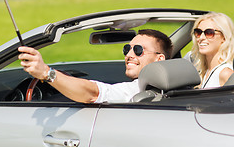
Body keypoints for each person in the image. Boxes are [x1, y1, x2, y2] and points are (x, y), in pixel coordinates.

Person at [18, 29, 173, 103]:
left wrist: (46, 73)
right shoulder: (188, 88)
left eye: (138, 50)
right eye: (127, 48)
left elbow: (93, 93)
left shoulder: (136, 91)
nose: (129, 55)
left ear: (159, 58)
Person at [191, 12, 234, 89]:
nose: (201, 38)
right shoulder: (204, 71)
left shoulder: (225, 73)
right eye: (198, 32)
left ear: (224, 38)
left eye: (209, 33)